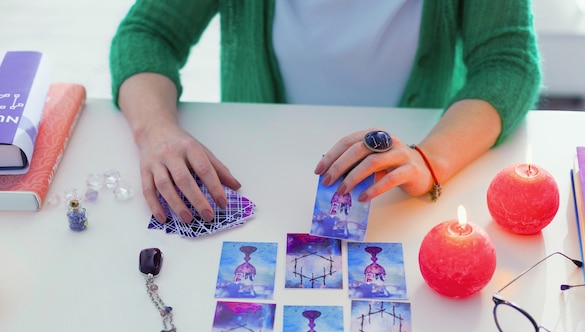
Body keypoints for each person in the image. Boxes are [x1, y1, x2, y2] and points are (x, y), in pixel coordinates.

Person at [109, 0, 541, 225]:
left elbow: (507, 62)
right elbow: (148, 34)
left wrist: (429, 158)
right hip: (263, 178)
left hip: (400, 199)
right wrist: (157, 131)